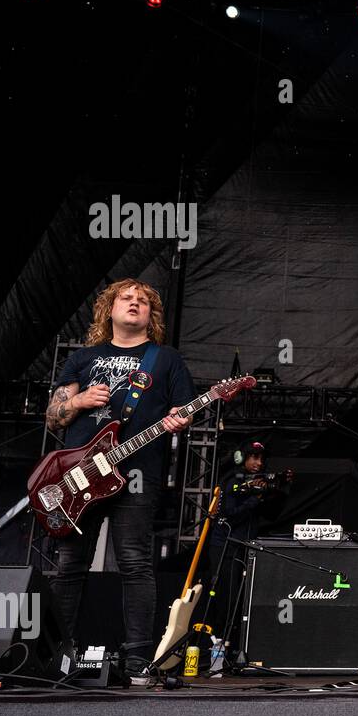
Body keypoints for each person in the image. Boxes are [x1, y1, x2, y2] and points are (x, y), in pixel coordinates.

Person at [44, 278, 194, 680]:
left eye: (142, 301)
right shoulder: (84, 357)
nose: (134, 304)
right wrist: (76, 401)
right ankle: (57, 654)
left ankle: (137, 658)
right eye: (126, 298)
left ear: (151, 315)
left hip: (138, 472)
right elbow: (53, 416)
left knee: (135, 562)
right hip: (81, 476)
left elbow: (184, 411)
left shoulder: (165, 359)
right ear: (108, 309)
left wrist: (181, 419)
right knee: (70, 564)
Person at [203, 439, 293, 640]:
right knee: (226, 596)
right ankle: (218, 644)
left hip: (245, 547)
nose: (259, 463)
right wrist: (256, 498)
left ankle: (234, 645)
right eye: (254, 457)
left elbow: (272, 515)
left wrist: (281, 489)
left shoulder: (257, 482)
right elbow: (231, 514)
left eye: (261, 459)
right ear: (242, 458)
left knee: (242, 598)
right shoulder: (232, 481)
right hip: (226, 546)